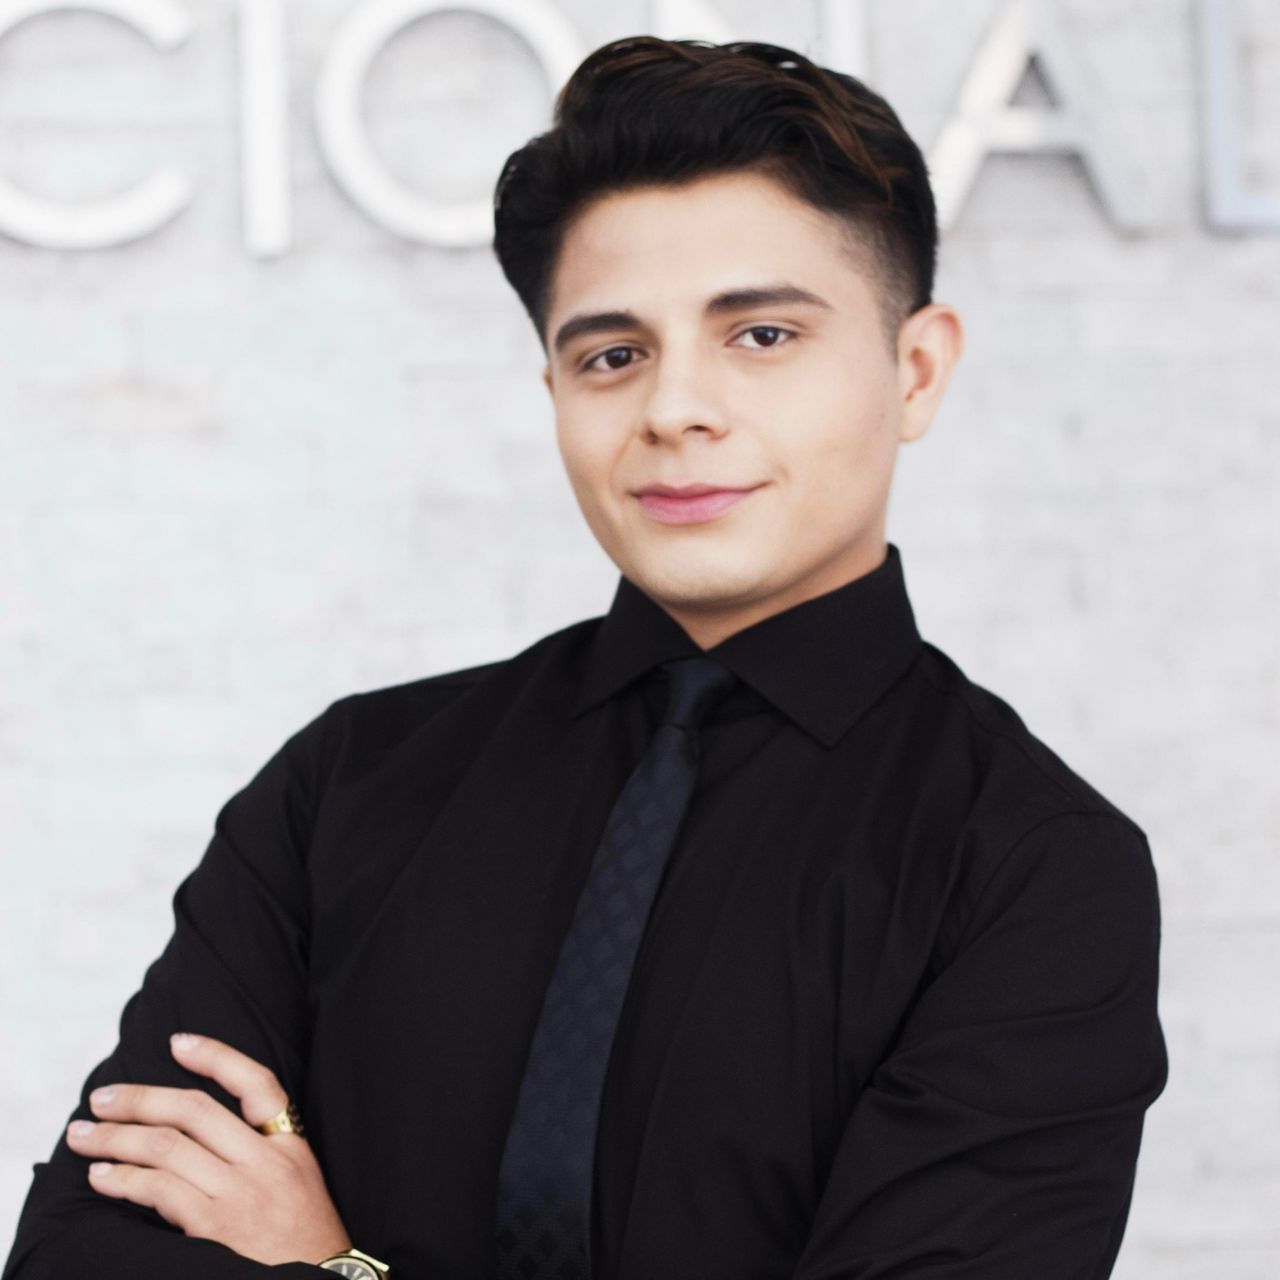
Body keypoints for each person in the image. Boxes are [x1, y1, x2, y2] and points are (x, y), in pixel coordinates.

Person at [2, 34, 1168, 1280]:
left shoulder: (1031, 865)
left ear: (915, 368)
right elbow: (83, 1257)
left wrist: (334, 1265)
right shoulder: (348, 783)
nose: (672, 409)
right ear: (552, 385)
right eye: (611, 354)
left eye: (760, 334)